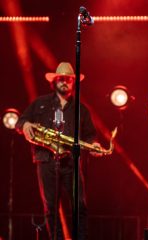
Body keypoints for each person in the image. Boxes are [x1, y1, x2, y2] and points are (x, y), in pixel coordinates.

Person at [15, 62, 101, 240]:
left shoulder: (81, 109)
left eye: (68, 79)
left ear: (73, 82)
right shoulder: (40, 103)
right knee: (51, 208)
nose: (64, 82)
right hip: (46, 160)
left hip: (71, 162)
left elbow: (90, 135)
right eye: (61, 78)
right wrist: (25, 125)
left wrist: (94, 145)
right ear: (54, 81)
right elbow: (20, 121)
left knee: (80, 206)